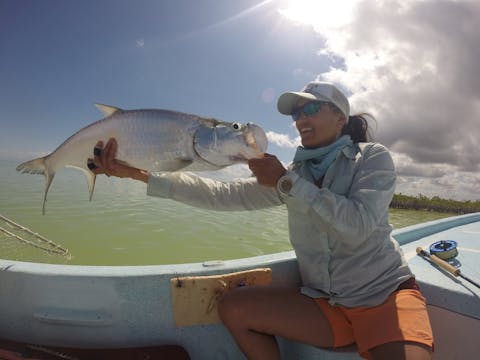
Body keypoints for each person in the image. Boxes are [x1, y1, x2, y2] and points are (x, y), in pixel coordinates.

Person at [88, 81, 434, 360]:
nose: (300, 119)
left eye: (310, 108)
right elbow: (222, 195)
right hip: (326, 303)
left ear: (340, 117)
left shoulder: (371, 158)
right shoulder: (295, 173)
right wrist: (138, 175)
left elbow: (358, 226)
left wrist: (285, 182)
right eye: (296, 113)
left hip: (385, 297)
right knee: (234, 310)